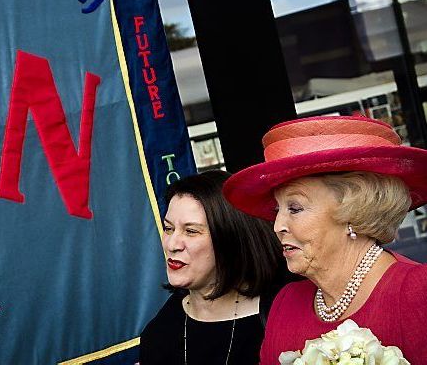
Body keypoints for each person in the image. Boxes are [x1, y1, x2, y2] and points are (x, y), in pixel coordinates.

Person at [223, 115, 427, 364]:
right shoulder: (286, 304)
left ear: (354, 210)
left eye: (295, 208)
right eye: (278, 210)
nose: (277, 226)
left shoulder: (418, 293)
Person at [140, 170, 287, 364]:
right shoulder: (158, 335)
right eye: (168, 228)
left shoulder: (285, 312)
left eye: (191, 231)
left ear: (231, 237)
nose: (172, 244)